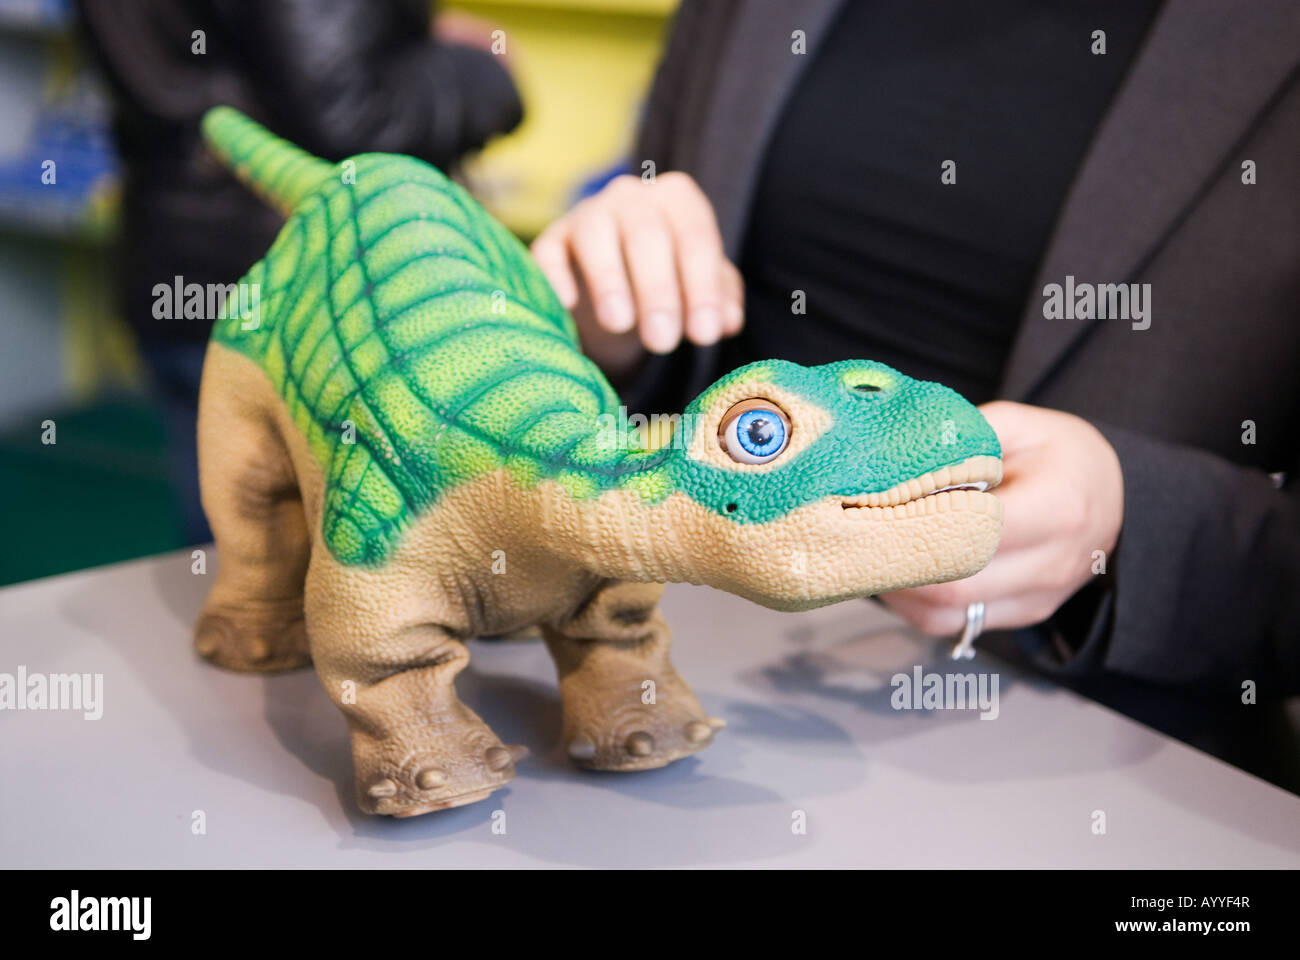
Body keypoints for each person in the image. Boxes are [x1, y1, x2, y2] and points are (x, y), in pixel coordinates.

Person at [530, 0, 1300, 791]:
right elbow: (683, 341)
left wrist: (1135, 523)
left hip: (1096, 764)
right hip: (676, 653)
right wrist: (612, 322)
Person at [75, 0, 522, 543]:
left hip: (181, 259)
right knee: (359, 575)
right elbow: (353, 119)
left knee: (240, 568)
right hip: (311, 293)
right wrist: (476, 68)